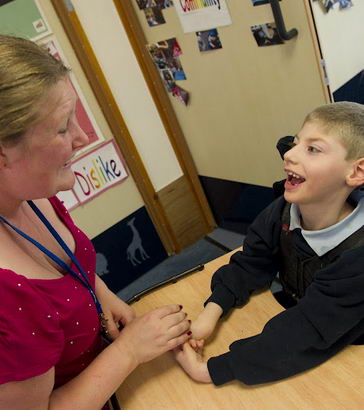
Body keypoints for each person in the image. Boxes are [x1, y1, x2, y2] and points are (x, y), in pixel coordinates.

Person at [0, 34, 191, 410]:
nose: (82, 137)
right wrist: (130, 352)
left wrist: (102, 298)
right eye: (60, 129)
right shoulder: (7, 297)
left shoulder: (34, 192)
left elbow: (66, 266)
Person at [174, 101, 364, 386]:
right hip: (303, 318)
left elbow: (307, 331)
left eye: (313, 149)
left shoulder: (358, 256)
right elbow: (252, 263)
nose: (289, 154)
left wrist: (212, 370)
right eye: (296, 143)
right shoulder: (282, 212)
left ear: (355, 173)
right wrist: (210, 313)